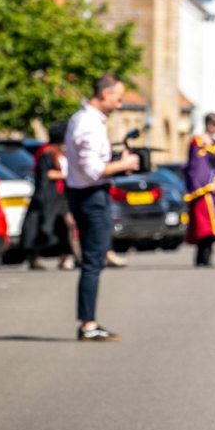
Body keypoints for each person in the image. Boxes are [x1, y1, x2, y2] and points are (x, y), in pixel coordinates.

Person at [64, 74, 141, 341]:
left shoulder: (83, 119)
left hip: (83, 192)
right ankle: (88, 324)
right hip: (90, 194)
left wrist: (116, 162)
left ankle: (89, 321)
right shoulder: (88, 124)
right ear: (105, 94)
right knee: (93, 262)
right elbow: (92, 170)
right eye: (118, 99)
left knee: (93, 260)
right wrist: (124, 164)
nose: (120, 105)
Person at [22, 123, 73, 270]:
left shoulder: (61, 152)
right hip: (48, 196)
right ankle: (34, 257)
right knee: (41, 226)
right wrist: (66, 176)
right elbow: (46, 174)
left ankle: (65, 256)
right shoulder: (46, 152)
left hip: (61, 195)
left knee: (63, 226)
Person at [184, 113, 215, 267]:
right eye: (214, 125)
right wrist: (201, 185)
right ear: (208, 125)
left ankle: (208, 257)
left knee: (214, 228)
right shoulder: (197, 142)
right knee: (203, 226)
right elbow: (194, 166)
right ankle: (200, 258)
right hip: (202, 191)